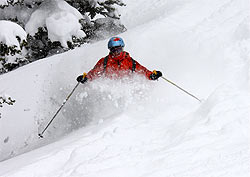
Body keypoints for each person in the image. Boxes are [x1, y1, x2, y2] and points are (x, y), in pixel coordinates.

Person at [76, 37, 162, 83]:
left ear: (122, 48)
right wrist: (86, 78)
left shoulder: (129, 61)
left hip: (126, 87)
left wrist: (151, 75)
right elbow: (94, 73)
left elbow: (142, 70)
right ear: (110, 50)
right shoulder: (104, 61)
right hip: (110, 90)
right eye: (114, 50)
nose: (116, 53)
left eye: (119, 50)